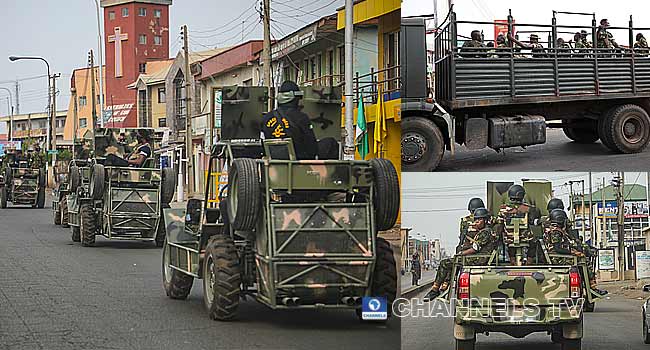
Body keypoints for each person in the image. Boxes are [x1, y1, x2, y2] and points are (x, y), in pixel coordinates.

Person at [424, 207, 498, 301]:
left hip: (478, 259)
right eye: (476, 219)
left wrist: (461, 254)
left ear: (486, 220)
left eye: (479, 220)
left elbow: (475, 248)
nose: (476, 222)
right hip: (479, 258)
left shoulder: (485, 232)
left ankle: (435, 290)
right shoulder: (485, 231)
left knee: (444, 263)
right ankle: (444, 287)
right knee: (453, 262)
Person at [261, 81, 338, 160]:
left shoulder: (266, 118)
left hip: (275, 162)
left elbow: (263, 144)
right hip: (300, 162)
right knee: (330, 142)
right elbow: (312, 147)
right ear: (295, 98)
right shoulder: (301, 118)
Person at [543, 209, 607, 297]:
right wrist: (573, 252)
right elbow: (557, 248)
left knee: (583, 257)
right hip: (558, 259)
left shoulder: (553, 230)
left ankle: (590, 288)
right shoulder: (555, 232)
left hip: (558, 257)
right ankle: (592, 289)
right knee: (585, 261)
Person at [493, 184, 542, 265]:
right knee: (534, 242)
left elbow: (500, 223)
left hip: (509, 238)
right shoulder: (529, 208)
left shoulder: (503, 209)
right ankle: (529, 262)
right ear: (522, 195)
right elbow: (533, 220)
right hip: (525, 238)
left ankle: (513, 261)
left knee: (509, 244)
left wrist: (498, 237)